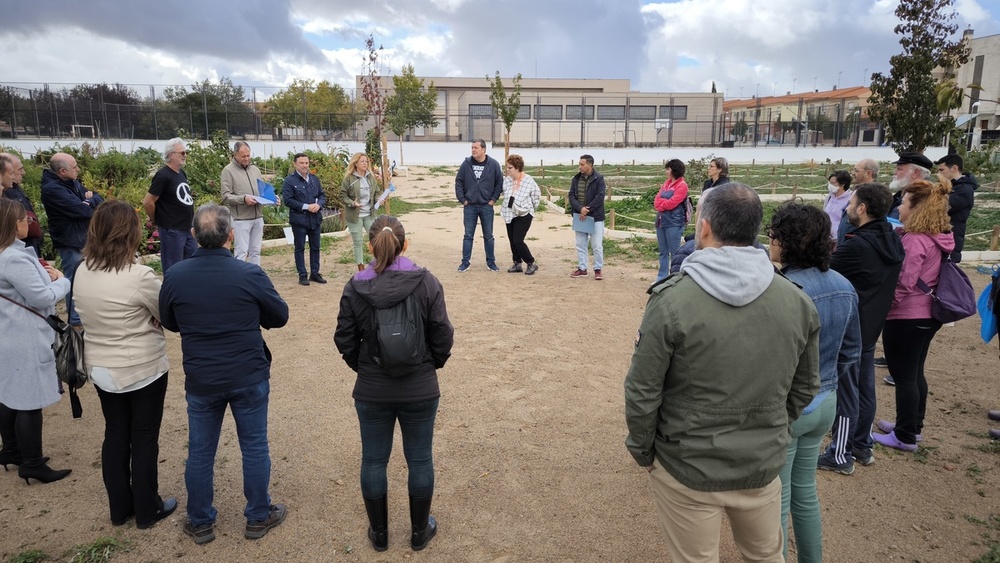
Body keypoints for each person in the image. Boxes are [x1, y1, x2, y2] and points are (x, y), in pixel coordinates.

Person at [624, 183, 820, 562]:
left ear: (704, 228)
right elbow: (805, 386)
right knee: (765, 556)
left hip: (687, 464)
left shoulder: (671, 300)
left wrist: (643, 448)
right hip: (760, 463)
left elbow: (643, 390)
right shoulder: (796, 301)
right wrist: (771, 428)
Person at [160, 204, 289, 545]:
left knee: (201, 452)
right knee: (255, 446)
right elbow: (279, 316)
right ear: (231, 236)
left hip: (203, 377)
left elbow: (170, 321)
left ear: (193, 236)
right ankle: (258, 516)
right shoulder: (249, 275)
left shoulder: (175, 275)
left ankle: (201, 520)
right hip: (247, 373)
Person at [334, 215, 454, 552]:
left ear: (370, 246)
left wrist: (364, 367)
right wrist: (432, 365)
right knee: (420, 459)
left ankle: (380, 534)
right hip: (420, 386)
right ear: (406, 244)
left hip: (373, 388)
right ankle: (419, 533)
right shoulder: (427, 281)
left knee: (373, 460)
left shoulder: (355, 285)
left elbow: (344, 338)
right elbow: (442, 333)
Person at [73, 201, 175, 528]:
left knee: (115, 435)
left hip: (101, 367)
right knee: (144, 437)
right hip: (142, 368)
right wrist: (153, 320)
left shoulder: (82, 270)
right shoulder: (138, 275)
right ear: (129, 233)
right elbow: (166, 315)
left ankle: (120, 509)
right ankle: (148, 508)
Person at [768, 202, 860, 561]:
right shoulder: (843, 285)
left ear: (789, 240)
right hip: (826, 402)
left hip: (790, 406)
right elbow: (853, 350)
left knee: (778, 494)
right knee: (805, 490)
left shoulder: (783, 288)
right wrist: (828, 381)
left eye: (774, 233)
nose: (770, 240)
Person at [817, 183, 905, 474]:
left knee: (846, 394)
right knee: (865, 390)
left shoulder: (857, 245)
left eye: (851, 203)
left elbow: (824, 267)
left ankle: (840, 453)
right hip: (871, 326)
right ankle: (861, 445)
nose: (847, 208)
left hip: (850, 329)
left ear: (862, 208)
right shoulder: (891, 239)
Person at [873, 179, 955, 452]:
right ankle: (911, 426)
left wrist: (885, 306)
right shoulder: (936, 236)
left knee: (903, 375)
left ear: (917, 208)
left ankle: (905, 436)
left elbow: (904, 282)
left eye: (904, 202)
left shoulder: (915, 240)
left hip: (907, 315)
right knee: (915, 371)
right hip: (927, 314)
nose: (899, 208)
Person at [0, 198, 72, 484]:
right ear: (11, 224)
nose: (27, 222)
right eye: (22, 219)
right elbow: (41, 297)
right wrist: (62, 280)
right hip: (25, 334)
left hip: (9, 331)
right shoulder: (14, 258)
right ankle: (32, 461)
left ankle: (13, 450)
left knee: (8, 395)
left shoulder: (6, 253)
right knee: (29, 401)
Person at [40, 152, 103, 328]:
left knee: (88, 278)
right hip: (69, 241)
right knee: (73, 279)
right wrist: (88, 201)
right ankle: (75, 319)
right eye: (74, 167)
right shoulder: (53, 189)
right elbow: (82, 211)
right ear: (62, 171)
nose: (78, 170)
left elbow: (99, 199)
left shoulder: (71, 182)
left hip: (83, 238)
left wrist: (89, 200)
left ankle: (86, 314)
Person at [143, 138, 196, 273]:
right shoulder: (163, 175)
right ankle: (171, 292)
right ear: (171, 155)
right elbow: (148, 202)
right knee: (173, 267)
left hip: (187, 228)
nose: (185, 156)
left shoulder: (181, 173)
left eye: (186, 153)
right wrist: (156, 219)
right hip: (172, 229)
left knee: (191, 264)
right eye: (182, 153)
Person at [221, 141, 273, 266]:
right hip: (241, 220)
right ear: (235, 155)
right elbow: (226, 197)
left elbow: (262, 192)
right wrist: (243, 199)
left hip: (258, 217)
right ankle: (239, 279)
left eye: (248, 155)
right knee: (241, 252)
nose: (247, 159)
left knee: (256, 251)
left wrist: (272, 198)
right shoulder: (228, 171)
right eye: (243, 156)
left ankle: (255, 276)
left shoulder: (255, 170)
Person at [454, 139, 502, 272]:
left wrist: (493, 200)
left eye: (476, 148)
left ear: (484, 149)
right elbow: (459, 181)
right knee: (468, 235)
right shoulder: (466, 164)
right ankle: (465, 262)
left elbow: (499, 183)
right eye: (472, 148)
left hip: (487, 206)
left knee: (489, 236)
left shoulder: (493, 164)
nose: (473, 150)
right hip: (470, 206)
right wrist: (462, 199)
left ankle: (491, 262)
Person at [282, 152, 327, 286]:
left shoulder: (314, 179)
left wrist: (319, 205)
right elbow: (288, 200)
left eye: (306, 163)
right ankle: (302, 275)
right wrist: (306, 206)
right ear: (295, 164)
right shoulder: (289, 181)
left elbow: (322, 195)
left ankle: (315, 273)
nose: (304, 166)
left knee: (316, 247)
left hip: (315, 219)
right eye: (301, 163)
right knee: (299, 247)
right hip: (299, 220)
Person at [340, 152, 383, 272]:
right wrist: (352, 203)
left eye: (366, 161)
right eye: (362, 161)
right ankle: (361, 267)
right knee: (358, 242)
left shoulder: (371, 177)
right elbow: (342, 195)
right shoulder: (349, 179)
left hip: (370, 214)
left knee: (376, 240)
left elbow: (377, 191)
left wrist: (379, 198)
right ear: (356, 163)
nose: (365, 163)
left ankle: (379, 263)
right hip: (355, 216)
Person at [499, 154, 541, 275]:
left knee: (518, 240)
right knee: (512, 239)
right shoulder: (507, 181)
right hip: (509, 213)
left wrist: (530, 208)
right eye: (507, 167)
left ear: (517, 168)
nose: (508, 170)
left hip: (524, 214)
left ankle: (531, 262)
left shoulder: (528, 180)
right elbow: (502, 192)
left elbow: (536, 195)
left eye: (510, 167)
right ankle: (517, 263)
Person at [569, 155, 607, 280]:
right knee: (580, 244)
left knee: (596, 245)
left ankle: (597, 269)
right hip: (579, 216)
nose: (580, 166)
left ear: (590, 165)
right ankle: (582, 268)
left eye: (582, 164)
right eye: (579, 164)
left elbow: (600, 197)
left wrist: (587, 209)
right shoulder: (576, 179)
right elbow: (572, 196)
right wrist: (580, 209)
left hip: (595, 217)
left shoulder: (599, 178)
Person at [934, 154, 977, 263]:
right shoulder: (950, 187)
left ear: (954, 168)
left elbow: (939, 208)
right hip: (941, 239)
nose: (938, 174)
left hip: (950, 243)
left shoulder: (964, 190)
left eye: (941, 170)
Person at [653, 159, 689, 282]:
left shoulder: (682, 185)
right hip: (661, 221)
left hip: (674, 222)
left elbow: (673, 202)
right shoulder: (666, 183)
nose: (666, 172)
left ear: (675, 170)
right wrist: (661, 205)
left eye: (668, 169)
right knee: (663, 252)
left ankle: (674, 276)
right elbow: (657, 199)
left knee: (675, 252)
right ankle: (661, 277)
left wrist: (661, 205)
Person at [1, 154, 42, 257]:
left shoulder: (16, 188)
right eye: (11, 173)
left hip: (27, 243)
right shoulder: (7, 195)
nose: (14, 176)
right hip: (15, 247)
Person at [839, 158, 880, 246]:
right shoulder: (857, 191)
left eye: (856, 171)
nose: (853, 173)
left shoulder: (873, 196)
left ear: (868, 173)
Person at [887, 152, 932, 220]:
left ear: (915, 173)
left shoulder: (922, 196)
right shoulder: (904, 193)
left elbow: (894, 224)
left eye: (899, 169)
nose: (894, 172)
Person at [824, 170, 852, 241]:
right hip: (826, 237)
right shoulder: (829, 197)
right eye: (829, 182)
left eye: (833, 183)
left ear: (843, 184)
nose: (830, 185)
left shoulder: (851, 199)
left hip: (839, 239)